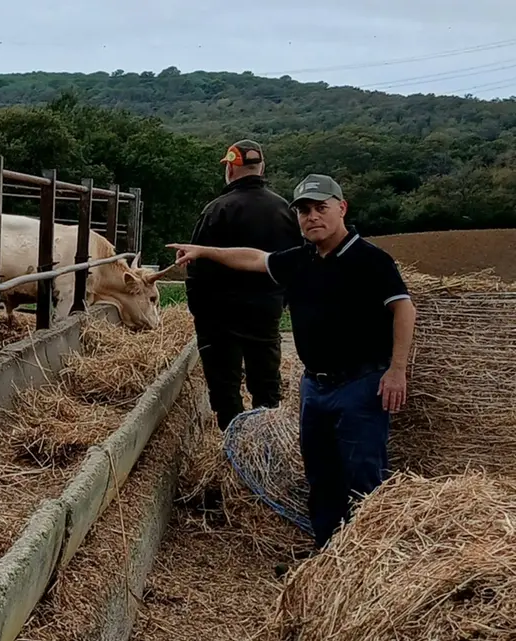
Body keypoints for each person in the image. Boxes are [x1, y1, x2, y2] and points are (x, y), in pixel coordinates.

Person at [168, 173, 416, 550]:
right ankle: (325, 554)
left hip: (360, 386)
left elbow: (404, 309)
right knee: (320, 476)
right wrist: (203, 251)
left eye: (320, 208)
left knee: (363, 477)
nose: (312, 217)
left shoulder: (370, 260)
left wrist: (397, 371)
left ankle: (366, 557)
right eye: (303, 211)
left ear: (342, 208)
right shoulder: (302, 260)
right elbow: (254, 258)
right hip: (315, 387)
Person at [185, 139, 304, 432]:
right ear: (261, 167)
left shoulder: (217, 209)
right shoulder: (284, 210)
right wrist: (281, 301)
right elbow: (296, 263)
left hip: (220, 316)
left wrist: (199, 311)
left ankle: (233, 441)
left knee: (225, 386)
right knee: (266, 383)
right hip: (266, 310)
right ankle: (267, 441)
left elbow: (196, 266)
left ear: (230, 168)